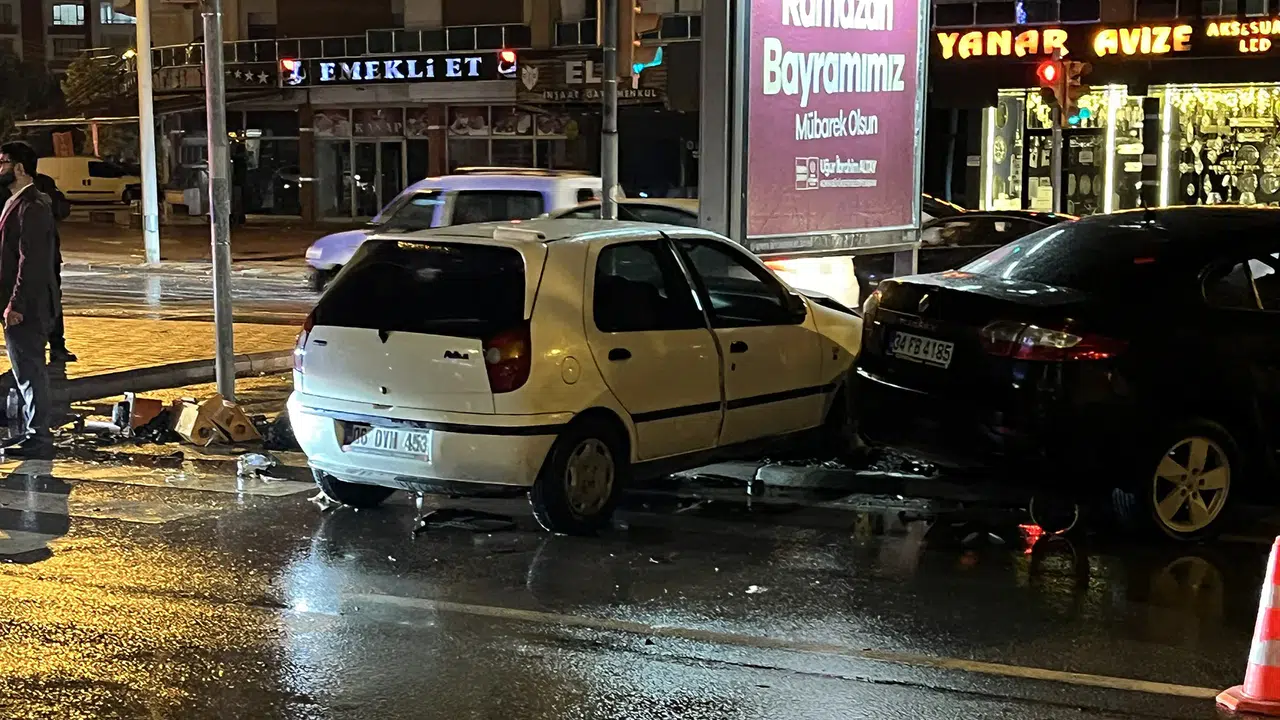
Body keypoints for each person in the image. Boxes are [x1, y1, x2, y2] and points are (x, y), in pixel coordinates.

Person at [0, 141, 58, 459]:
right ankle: (31, 432)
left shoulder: (33, 206)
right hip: (18, 302)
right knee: (24, 368)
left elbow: (31, 261)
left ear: (19, 168)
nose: (0, 168)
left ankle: (38, 436)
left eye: (3, 162)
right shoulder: (17, 201)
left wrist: (17, 304)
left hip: (28, 305)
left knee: (30, 369)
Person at [34, 170, 72, 363]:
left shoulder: (43, 185)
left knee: (51, 299)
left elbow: (62, 209)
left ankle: (57, 345)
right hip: (11, 258)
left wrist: (48, 200)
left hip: (46, 256)